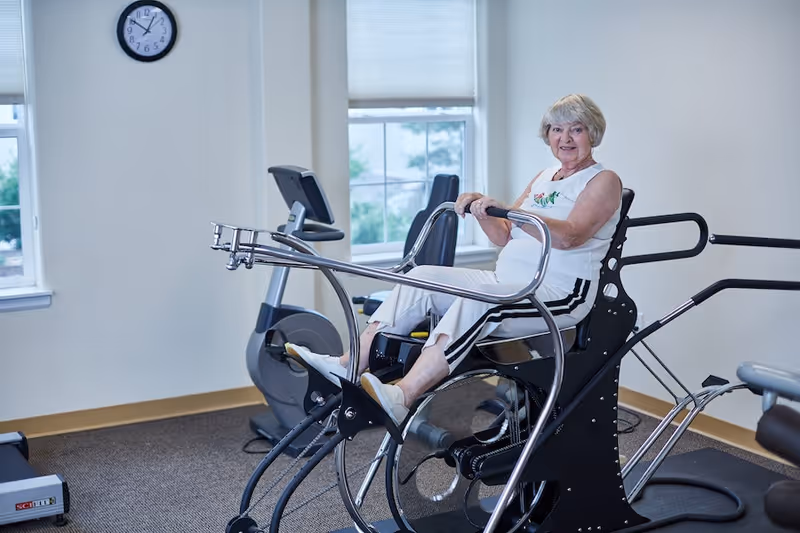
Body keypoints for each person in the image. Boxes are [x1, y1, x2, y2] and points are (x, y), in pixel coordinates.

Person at [287, 93, 623, 425]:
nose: (564, 138)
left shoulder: (602, 180)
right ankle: (349, 363)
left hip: (559, 293)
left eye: (575, 130)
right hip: (507, 281)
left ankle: (403, 395)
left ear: (592, 133)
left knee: (482, 302)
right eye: (556, 129)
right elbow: (505, 235)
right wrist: (483, 211)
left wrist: (513, 213)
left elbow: (570, 236)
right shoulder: (544, 176)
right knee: (422, 277)